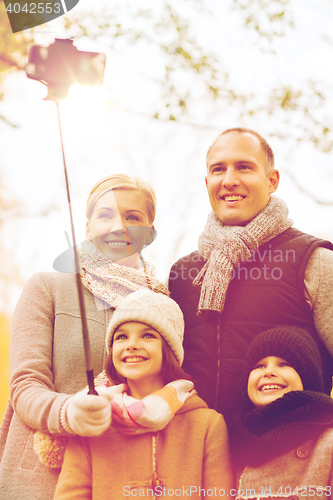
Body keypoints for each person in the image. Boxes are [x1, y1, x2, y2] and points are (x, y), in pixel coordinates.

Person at [0, 174, 168, 500]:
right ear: (88, 227)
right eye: (105, 215)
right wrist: (68, 412)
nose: (118, 226)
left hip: (121, 479)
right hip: (40, 479)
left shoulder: (165, 305)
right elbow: (24, 386)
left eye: (132, 217)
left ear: (148, 233)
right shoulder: (47, 287)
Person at [168, 127, 333, 415]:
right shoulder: (183, 274)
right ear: (207, 182)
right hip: (200, 453)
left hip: (288, 454)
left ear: (272, 181)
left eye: (244, 167)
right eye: (219, 170)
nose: (229, 180)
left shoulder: (314, 260)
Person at [54, 289, 234, 500]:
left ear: (169, 349)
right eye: (121, 337)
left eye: (147, 335)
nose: (131, 345)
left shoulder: (207, 425)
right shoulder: (92, 419)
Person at [227, 326, 333, 498]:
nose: (268, 372)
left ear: (308, 377)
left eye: (284, 364)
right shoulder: (230, 441)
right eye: (259, 366)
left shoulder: (327, 442)